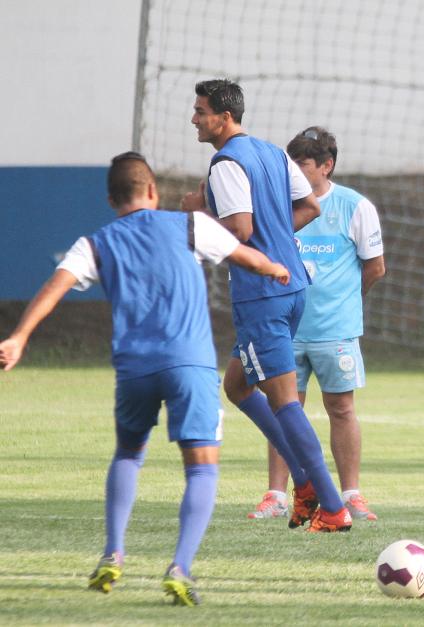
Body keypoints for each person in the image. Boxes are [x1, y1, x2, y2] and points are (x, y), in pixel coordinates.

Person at [0, 152, 291, 605]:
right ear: (152, 191)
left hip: (134, 369)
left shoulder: (96, 242)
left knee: (129, 456)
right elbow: (244, 257)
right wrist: (275, 267)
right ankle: (180, 566)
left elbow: (54, 287)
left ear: (111, 199)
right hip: (188, 365)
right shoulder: (188, 224)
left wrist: (18, 337)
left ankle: (113, 552)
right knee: (201, 467)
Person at [182, 79, 352, 532]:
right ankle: (305, 482)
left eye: (200, 111)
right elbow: (310, 207)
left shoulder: (226, 163)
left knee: (285, 402)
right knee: (237, 386)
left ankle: (332, 506)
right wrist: (273, 237)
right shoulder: (274, 153)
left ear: (224, 116)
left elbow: (238, 229)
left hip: (262, 294)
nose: (194, 119)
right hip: (292, 286)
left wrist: (198, 212)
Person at [246, 126, 385, 522]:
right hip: (283, 329)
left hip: (334, 331)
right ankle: (277, 494)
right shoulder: (277, 205)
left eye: (302, 164)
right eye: (290, 164)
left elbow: (375, 267)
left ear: (327, 166)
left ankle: (352, 494)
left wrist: (342, 301)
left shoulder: (355, 207)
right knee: (282, 408)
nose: (293, 172)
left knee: (341, 408)